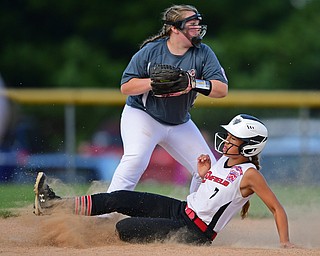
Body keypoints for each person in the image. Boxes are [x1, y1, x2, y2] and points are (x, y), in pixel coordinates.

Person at [33, 114, 294, 248]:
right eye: (228, 136)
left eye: (233, 139)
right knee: (120, 197)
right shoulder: (223, 161)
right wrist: (204, 175)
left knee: (127, 227)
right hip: (181, 210)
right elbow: (215, 194)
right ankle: (54, 205)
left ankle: (86, 235)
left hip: (196, 233)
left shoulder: (251, 174)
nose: (226, 141)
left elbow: (277, 208)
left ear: (249, 147)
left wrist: (284, 244)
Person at [107, 4, 228, 194]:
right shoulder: (152, 51)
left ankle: (194, 217)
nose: (197, 29)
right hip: (143, 116)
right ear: (174, 28)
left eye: (198, 24)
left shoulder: (203, 53)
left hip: (179, 122)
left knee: (208, 171)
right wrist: (155, 82)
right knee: (136, 159)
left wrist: (194, 83)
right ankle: (105, 213)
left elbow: (221, 89)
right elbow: (126, 86)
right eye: (192, 24)